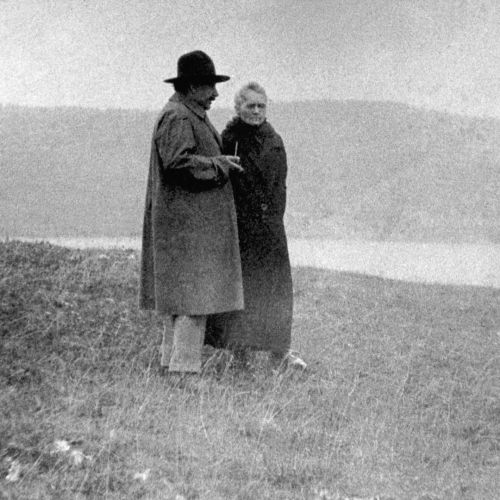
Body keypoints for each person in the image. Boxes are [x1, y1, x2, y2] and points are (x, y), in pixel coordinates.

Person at [139, 50, 244, 376]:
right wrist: (219, 165)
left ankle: (171, 365)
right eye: (209, 86)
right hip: (187, 228)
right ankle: (184, 372)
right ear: (191, 86)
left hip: (185, 226)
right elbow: (177, 163)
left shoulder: (184, 113)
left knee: (184, 300)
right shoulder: (180, 117)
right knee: (193, 299)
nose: (215, 93)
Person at [206, 82, 306, 370]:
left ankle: (279, 353)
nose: (256, 111)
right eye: (250, 106)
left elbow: (280, 186)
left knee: (276, 291)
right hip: (241, 229)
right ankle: (239, 355)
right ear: (238, 108)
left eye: (261, 106)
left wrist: (274, 219)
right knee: (243, 293)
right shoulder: (229, 140)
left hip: (271, 229)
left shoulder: (274, 140)